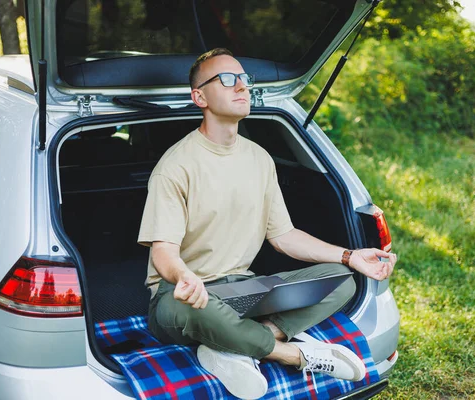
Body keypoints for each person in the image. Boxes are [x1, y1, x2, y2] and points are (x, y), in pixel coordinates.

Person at [137, 48, 397, 399]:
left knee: (343, 282)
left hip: (245, 290)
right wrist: (184, 277)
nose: (241, 86)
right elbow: (164, 252)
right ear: (199, 96)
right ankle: (294, 355)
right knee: (187, 306)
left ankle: (234, 345)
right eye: (227, 80)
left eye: (244, 79)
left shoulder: (260, 159)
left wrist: (350, 256)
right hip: (183, 296)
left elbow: (284, 236)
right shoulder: (176, 166)